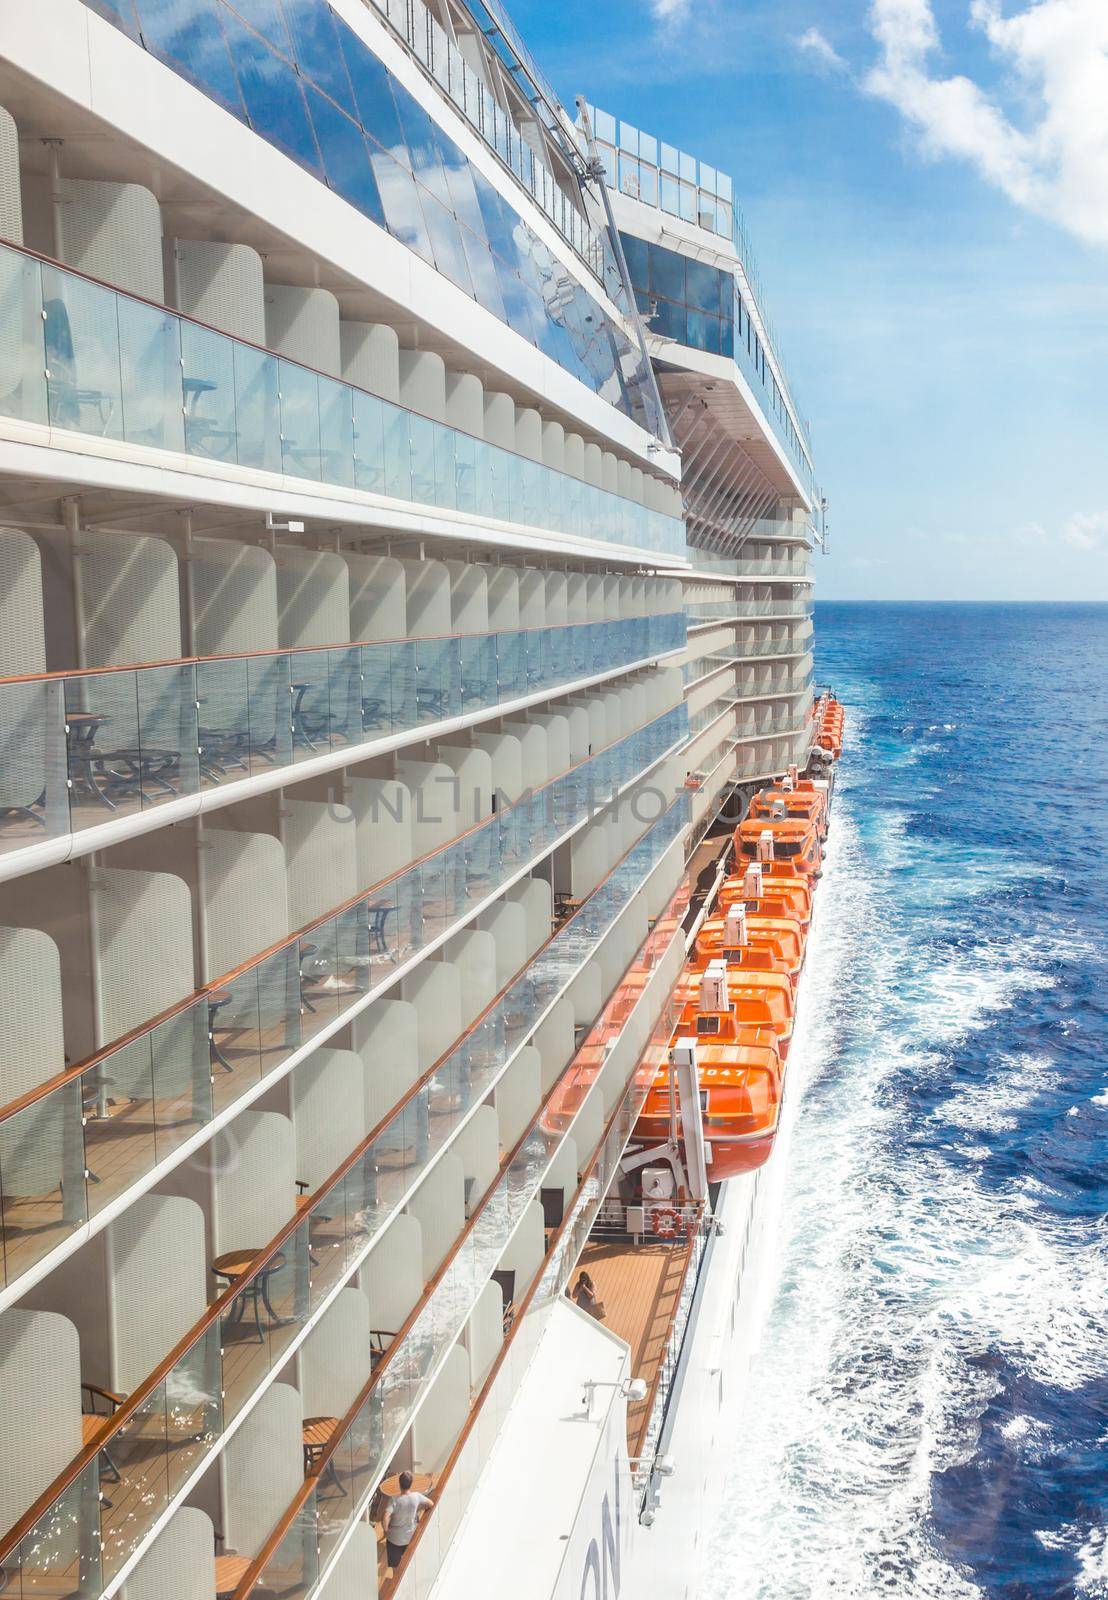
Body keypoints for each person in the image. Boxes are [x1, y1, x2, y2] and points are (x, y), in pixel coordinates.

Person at [383, 1471, 433, 1572]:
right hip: (410, 1537)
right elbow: (430, 1504)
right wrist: (417, 1510)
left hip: (394, 1539)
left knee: (395, 1569)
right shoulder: (416, 1496)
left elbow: (385, 1517)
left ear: (399, 1484)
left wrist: (386, 1531)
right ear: (411, 1483)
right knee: (411, 1565)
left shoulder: (395, 1500)